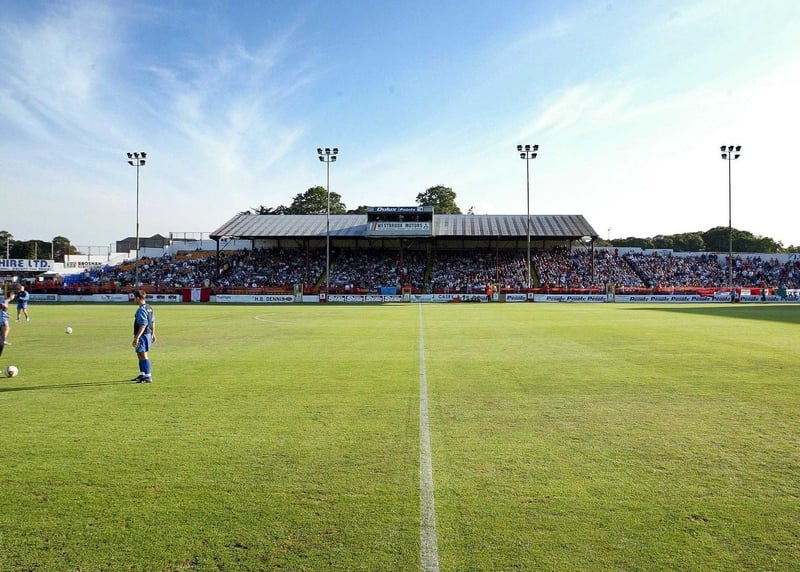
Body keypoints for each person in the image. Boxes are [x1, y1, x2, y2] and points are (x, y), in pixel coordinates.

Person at [131, 290, 156, 383]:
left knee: (143, 355)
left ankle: (148, 376)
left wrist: (137, 337)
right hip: (148, 334)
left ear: (137, 298)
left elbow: (143, 324)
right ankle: (142, 374)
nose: (134, 300)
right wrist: (153, 334)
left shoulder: (141, 309)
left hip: (143, 335)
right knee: (139, 354)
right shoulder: (149, 307)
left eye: (134, 298)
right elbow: (153, 322)